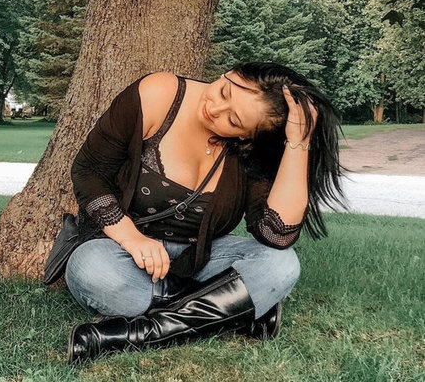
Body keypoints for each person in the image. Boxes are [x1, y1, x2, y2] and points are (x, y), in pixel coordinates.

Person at [65, 61, 349, 364]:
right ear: (230, 73)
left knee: (281, 265)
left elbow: (276, 234)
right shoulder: (159, 93)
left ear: (247, 136)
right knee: (90, 269)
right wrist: (131, 238)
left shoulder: (251, 150)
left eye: (233, 121)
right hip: (122, 253)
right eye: (224, 91)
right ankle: (233, 310)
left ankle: (138, 333)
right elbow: (89, 171)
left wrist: (298, 144)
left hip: (200, 258)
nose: (215, 109)